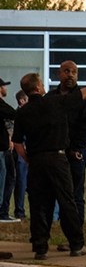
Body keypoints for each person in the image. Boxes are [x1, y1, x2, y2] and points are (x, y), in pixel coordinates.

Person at [12, 73, 86, 260]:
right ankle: (76, 244)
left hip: (36, 162)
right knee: (67, 201)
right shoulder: (55, 102)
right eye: (41, 84)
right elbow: (83, 94)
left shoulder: (22, 112)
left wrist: (28, 159)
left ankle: (40, 247)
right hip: (57, 159)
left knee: (38, 205)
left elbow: (18, 143)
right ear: (38, 88)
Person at [48, 60, 86, 228]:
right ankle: (45, 234)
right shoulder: (50, 98)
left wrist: (76, 147)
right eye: (66, 71)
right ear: (59, 74)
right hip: (54, 154)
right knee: (51, 193)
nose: (70, 74)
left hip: (75, 154)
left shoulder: (85, 97)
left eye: (74, 72)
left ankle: (76, 236)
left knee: (75, 194)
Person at [0, 77, 17, 223]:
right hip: (0, 149)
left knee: (10, 177)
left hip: (5, 148)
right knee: (2, 179)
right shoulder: (0, 105)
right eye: (4, 86)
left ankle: (4, 211)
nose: (6, 89)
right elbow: (13, 113)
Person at [10, 90, 28, 220]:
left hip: (29, 151)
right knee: (21, 182)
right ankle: (19, 211)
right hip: (21, 152)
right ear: (22, 101)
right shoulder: (17, 116)